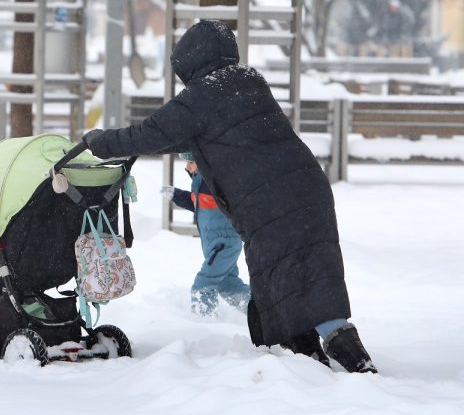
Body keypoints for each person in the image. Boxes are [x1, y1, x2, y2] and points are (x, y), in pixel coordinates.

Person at [83, 20, 376, 373]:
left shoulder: (200, 98)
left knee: (284, 275)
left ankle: (351, 364)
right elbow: (193, 134)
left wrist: (99, 142)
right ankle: (314, 361)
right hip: (307, 188)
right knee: (311, 272)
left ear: (189, 60)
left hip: (269, 201)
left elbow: (149, 134)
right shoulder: (250, 81)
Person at [163, 153, 249, 317]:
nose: (187, 167)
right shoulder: (200, 183)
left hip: (224, 244)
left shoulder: (214, 182)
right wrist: (176, 195)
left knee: (203, 284)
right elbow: (198, 204)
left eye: (191, 162)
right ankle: (259, 310)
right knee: (228, 285)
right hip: (215, 244)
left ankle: (204, 320)